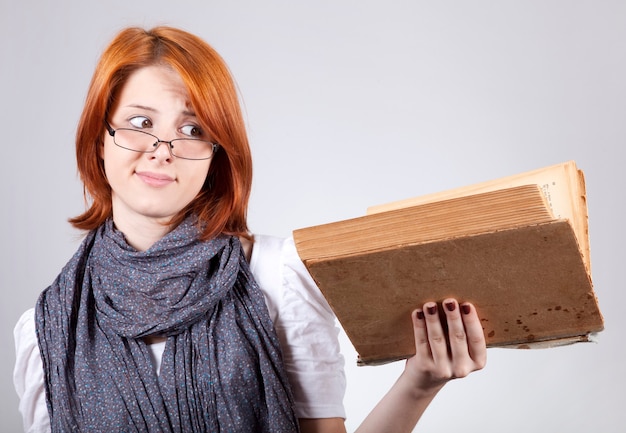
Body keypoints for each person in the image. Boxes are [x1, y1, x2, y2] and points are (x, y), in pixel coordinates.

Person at [13, 26, 486, 433]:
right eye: (140, 123)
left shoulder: (277, 275)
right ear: (100, 139)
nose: (163, 149)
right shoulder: (47, 328)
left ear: (217, 154)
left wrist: (419, 383)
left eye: (193, 130)